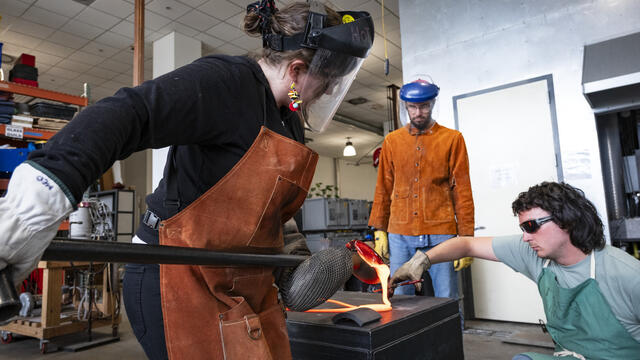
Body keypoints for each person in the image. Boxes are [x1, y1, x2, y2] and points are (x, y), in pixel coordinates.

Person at [0, 1, 374, 359]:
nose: (327, 92)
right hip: (174, 277)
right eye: (325, 82)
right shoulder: (226, 83)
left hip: (236, 281)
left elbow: (269, 206)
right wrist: (31, 207)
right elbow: (127, 114)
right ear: (295, 71)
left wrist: (290, 255)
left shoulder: (289, 118)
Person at [390, 182, 640, 359]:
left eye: (531, 226)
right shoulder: (535, 255)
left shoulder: (626, 274)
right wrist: (420, 261)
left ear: (568, 220)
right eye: (523, 228)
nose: (525, 237)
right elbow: (465, 244)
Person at [368, 78, 475, 297]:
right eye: (413, 107)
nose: (419, 112)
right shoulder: (392, 141)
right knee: (399, 297)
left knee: (447, 297)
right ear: (405, 107)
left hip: (441, 232)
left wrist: (466, 239)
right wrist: (379, 229)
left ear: (432, 104)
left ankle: (450, 333)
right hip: (400, 232)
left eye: (424, 106)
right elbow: (384, 187)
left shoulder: (452, 139)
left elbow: (462, 191)